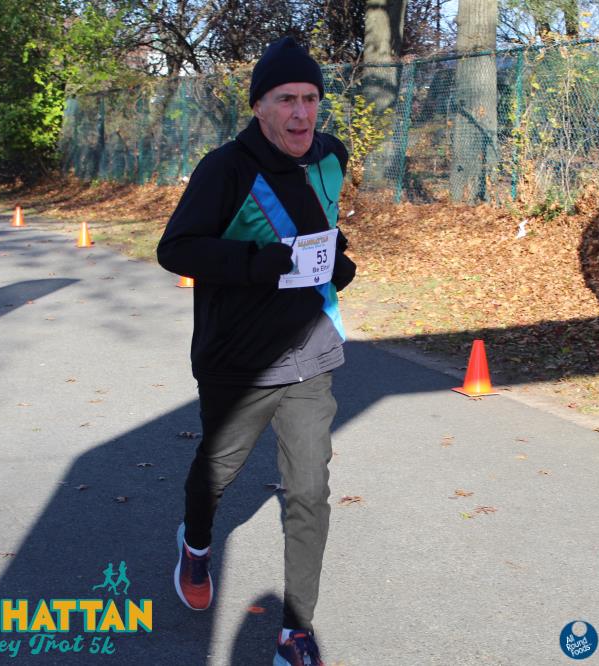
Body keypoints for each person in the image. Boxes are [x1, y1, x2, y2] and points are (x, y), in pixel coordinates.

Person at [156, 36, 356, 666]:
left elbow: (323, 224)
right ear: (259, 106)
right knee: (217, 472)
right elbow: (176, 248)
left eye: (311, 99)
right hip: (237, 359)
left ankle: (296, 631)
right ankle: (195, 544)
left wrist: (338, 261)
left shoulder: (331, 157)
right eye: (286, 99)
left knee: (310, 490)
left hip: (309, 350)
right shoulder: (226, 168)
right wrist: (254, 264)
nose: (301, 113)